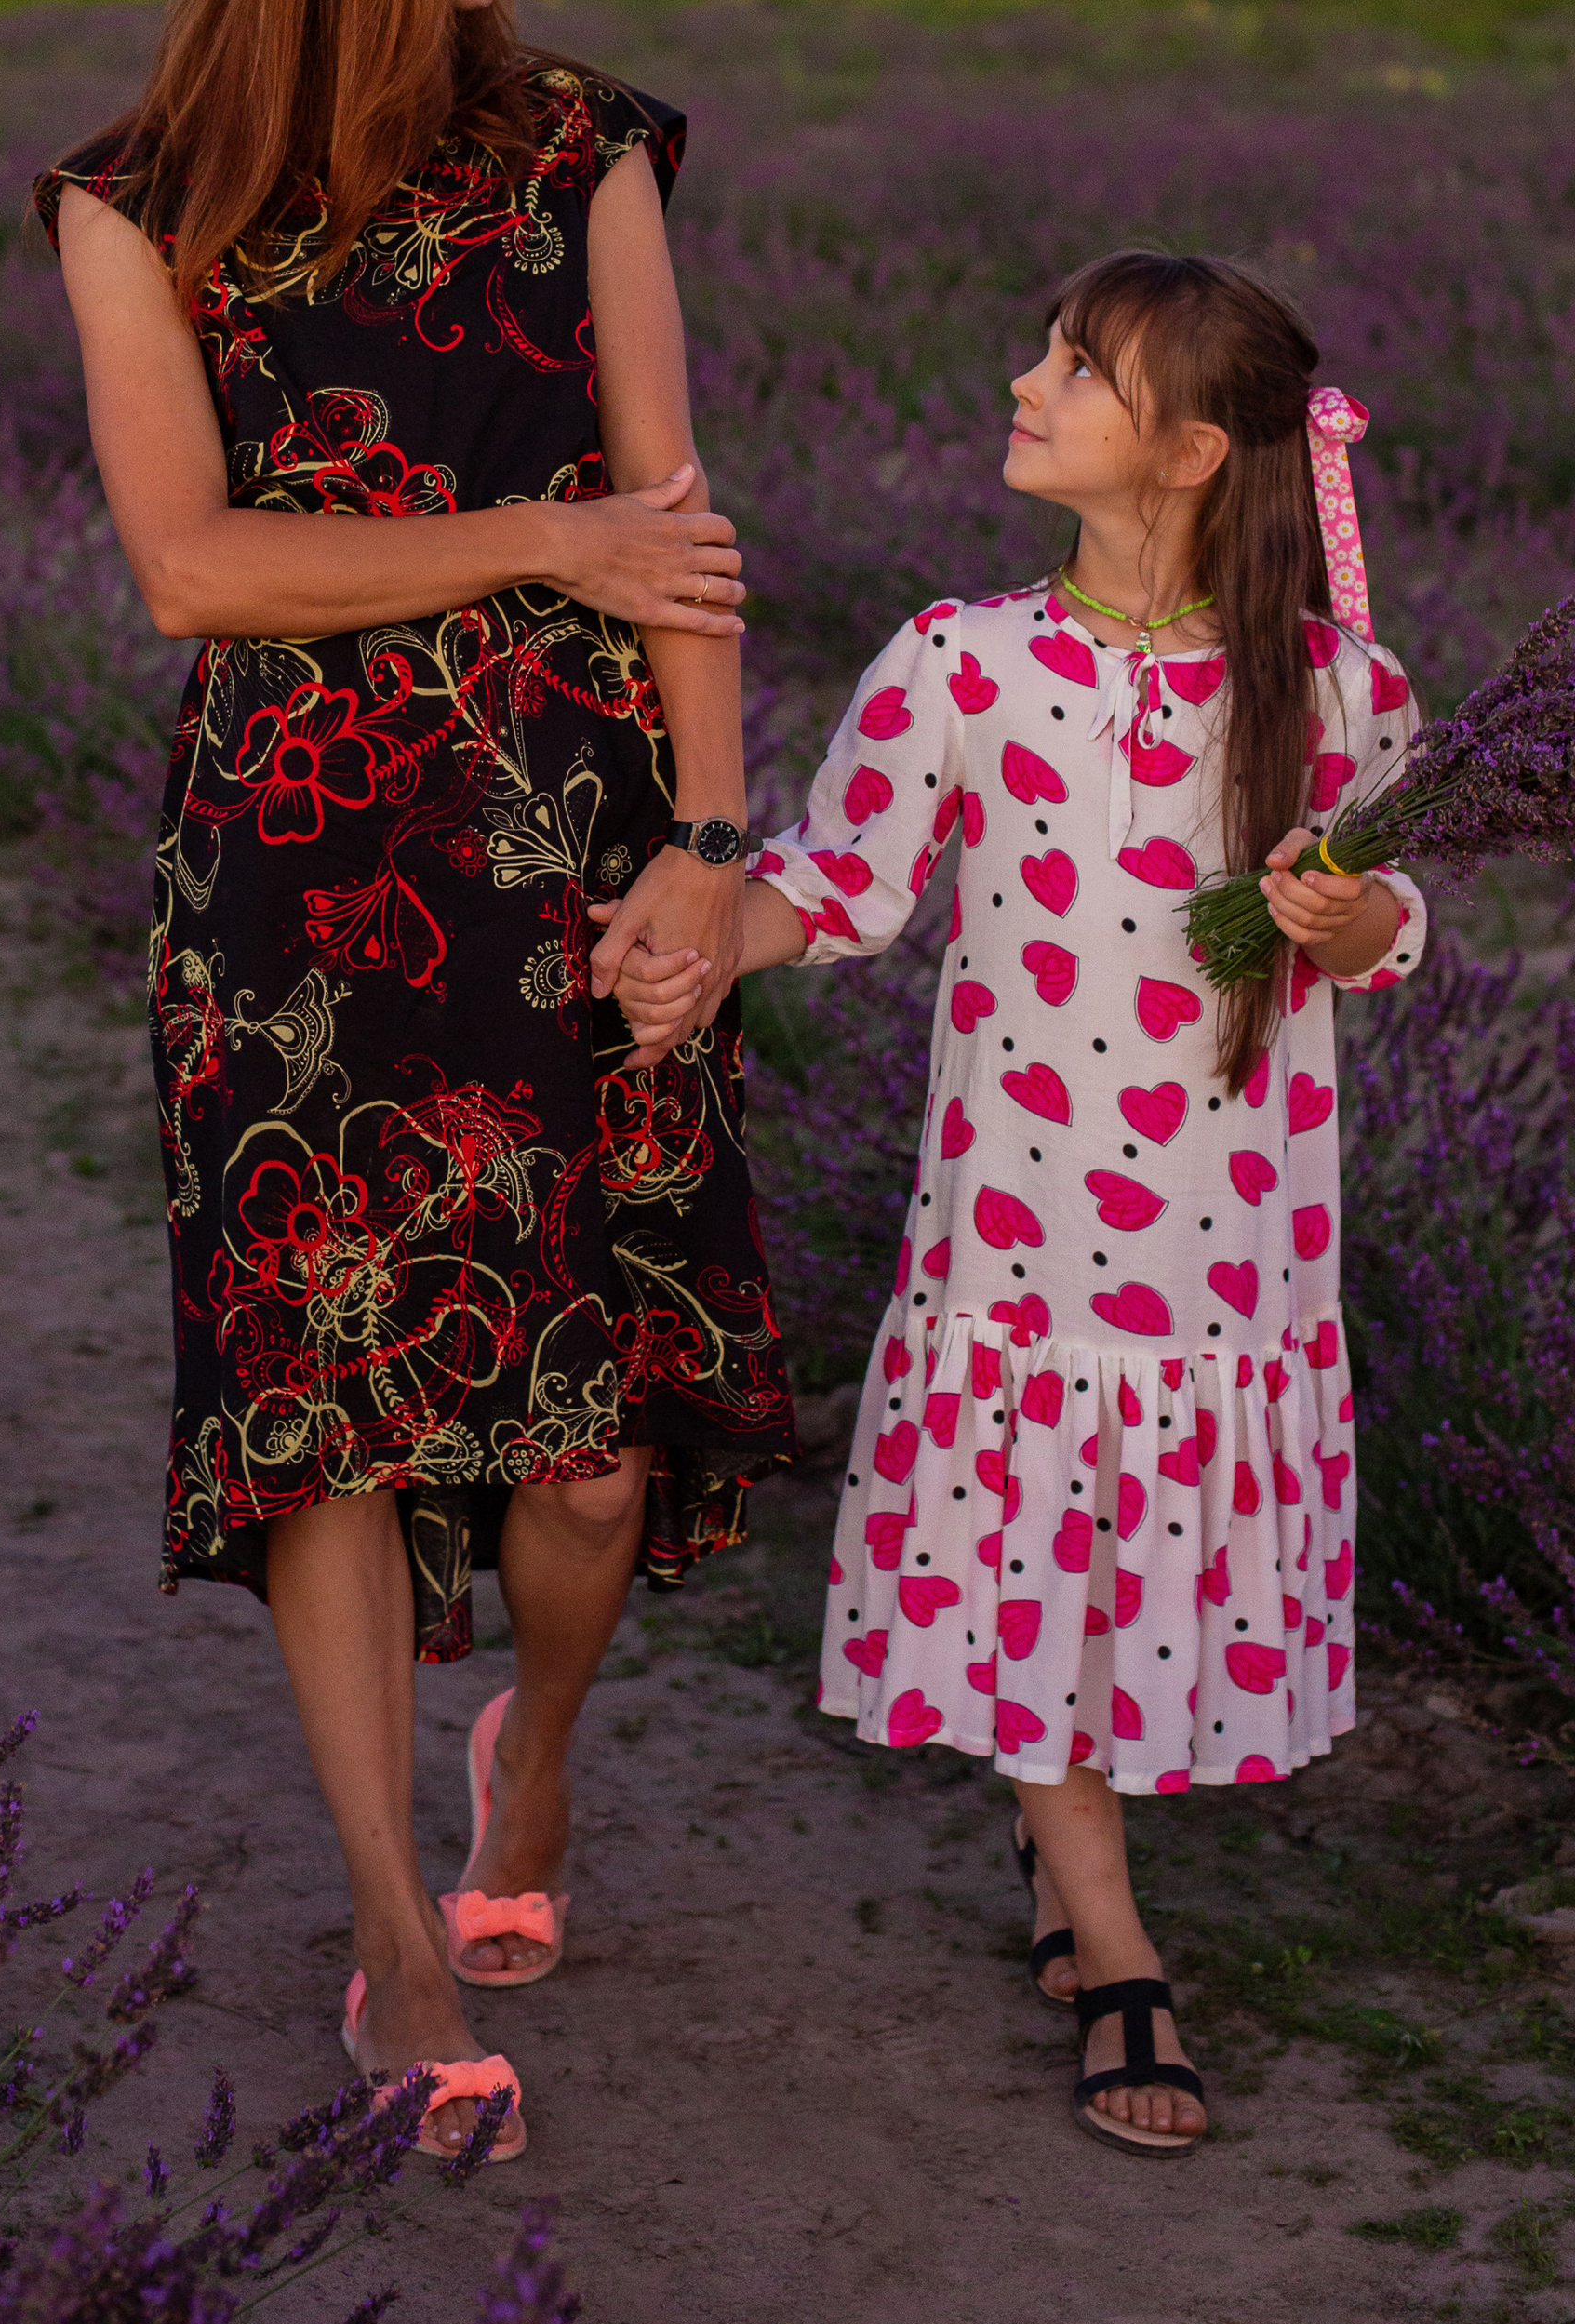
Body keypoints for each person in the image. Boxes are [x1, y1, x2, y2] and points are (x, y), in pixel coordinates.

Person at [38, 0, 789, 2163]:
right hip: (292, 887)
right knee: (329, 1430)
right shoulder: (134, 207)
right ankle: (383, 1919)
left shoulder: (585, 154)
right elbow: (195, 571)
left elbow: (677, 548)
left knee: (584, 1456)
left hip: (582, 858)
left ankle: (535, 1750)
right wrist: (534, 538)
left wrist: (708, 861)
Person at [598, 252, 1423, 2157]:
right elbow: (845, 878)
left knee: (1135, 1571)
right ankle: (1116, 1943)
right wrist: (709, 939)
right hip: (1023, 1249)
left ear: (1197, 452)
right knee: (1044, 1555)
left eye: (1076, 367)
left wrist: (1344, 910)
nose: (1022, 379)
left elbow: (1396, 932)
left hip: (1232, 1256)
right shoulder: (957, 665)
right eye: (1043, 349)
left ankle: (1074, 1865)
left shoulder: (1336, 692)